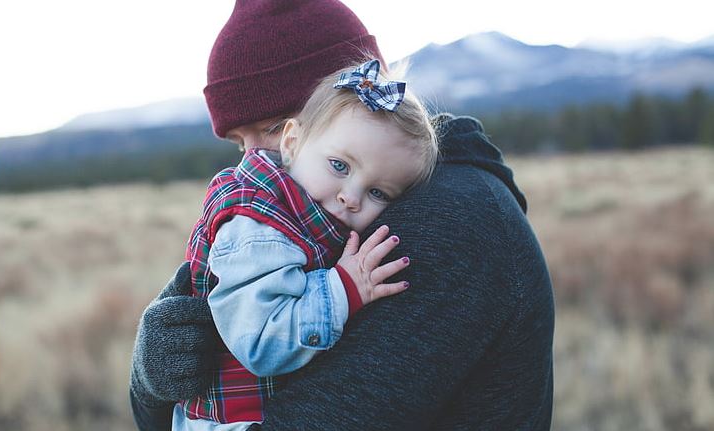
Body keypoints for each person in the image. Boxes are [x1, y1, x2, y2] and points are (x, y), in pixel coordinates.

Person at [130, 1, 555, 430]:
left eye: (275, 128)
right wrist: (152, 381)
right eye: (240, 143)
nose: (254, 161)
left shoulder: (447, 221)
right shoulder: (313, 214)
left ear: (353, 99)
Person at [175, 58, 437, 430]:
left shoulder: (308, 214)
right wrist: (344, 288)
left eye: (378, 192)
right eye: (340, 166)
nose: (351, 197)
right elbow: (261, 341)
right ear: (292, 142)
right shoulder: (258, 226)